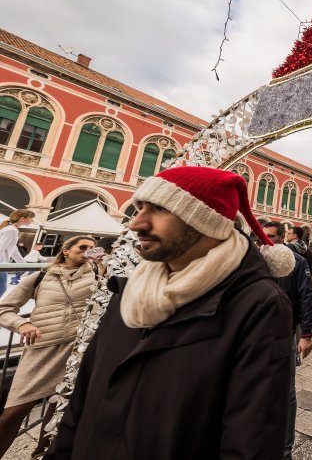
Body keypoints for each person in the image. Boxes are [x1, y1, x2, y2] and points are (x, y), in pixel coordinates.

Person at [46, 166, 296, 459]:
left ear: (206, 222)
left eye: (160, 209)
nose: (136, 223)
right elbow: (80, 402)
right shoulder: (127, 293)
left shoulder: (259, 305)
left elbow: (251, 442)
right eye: (139, 208)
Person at [0, 235, 98, 457]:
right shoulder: (41, 276)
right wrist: (22, 324)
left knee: (59, 412)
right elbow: (4, 308)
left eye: (92, 248)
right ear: (66, 250)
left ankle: (41, 454)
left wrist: (104, 265)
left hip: (78, 350)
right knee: (14, 411)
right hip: (42, 349)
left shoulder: (99, 275)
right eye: (82, 247)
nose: (88, 251)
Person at [260, 221, 312, 459]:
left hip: (285, 332)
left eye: (273, 236)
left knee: (287, 390)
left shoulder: (298, 262)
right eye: (264, 236)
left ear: (283, 237)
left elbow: (305, 296)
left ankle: (285, 449)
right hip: (258, 333)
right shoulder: (256, 260)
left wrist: (306, 335)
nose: (268, 240)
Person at [0, 209, 35, 295]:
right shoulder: (11, 230)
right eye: (31, 218)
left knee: (1, 289)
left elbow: (13, 249)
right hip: (1, 264)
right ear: (22, 218)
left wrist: (23, 264)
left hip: (3, 264)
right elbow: (1, 248)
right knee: (1, 289)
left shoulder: (12, 229)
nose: (32, 220)